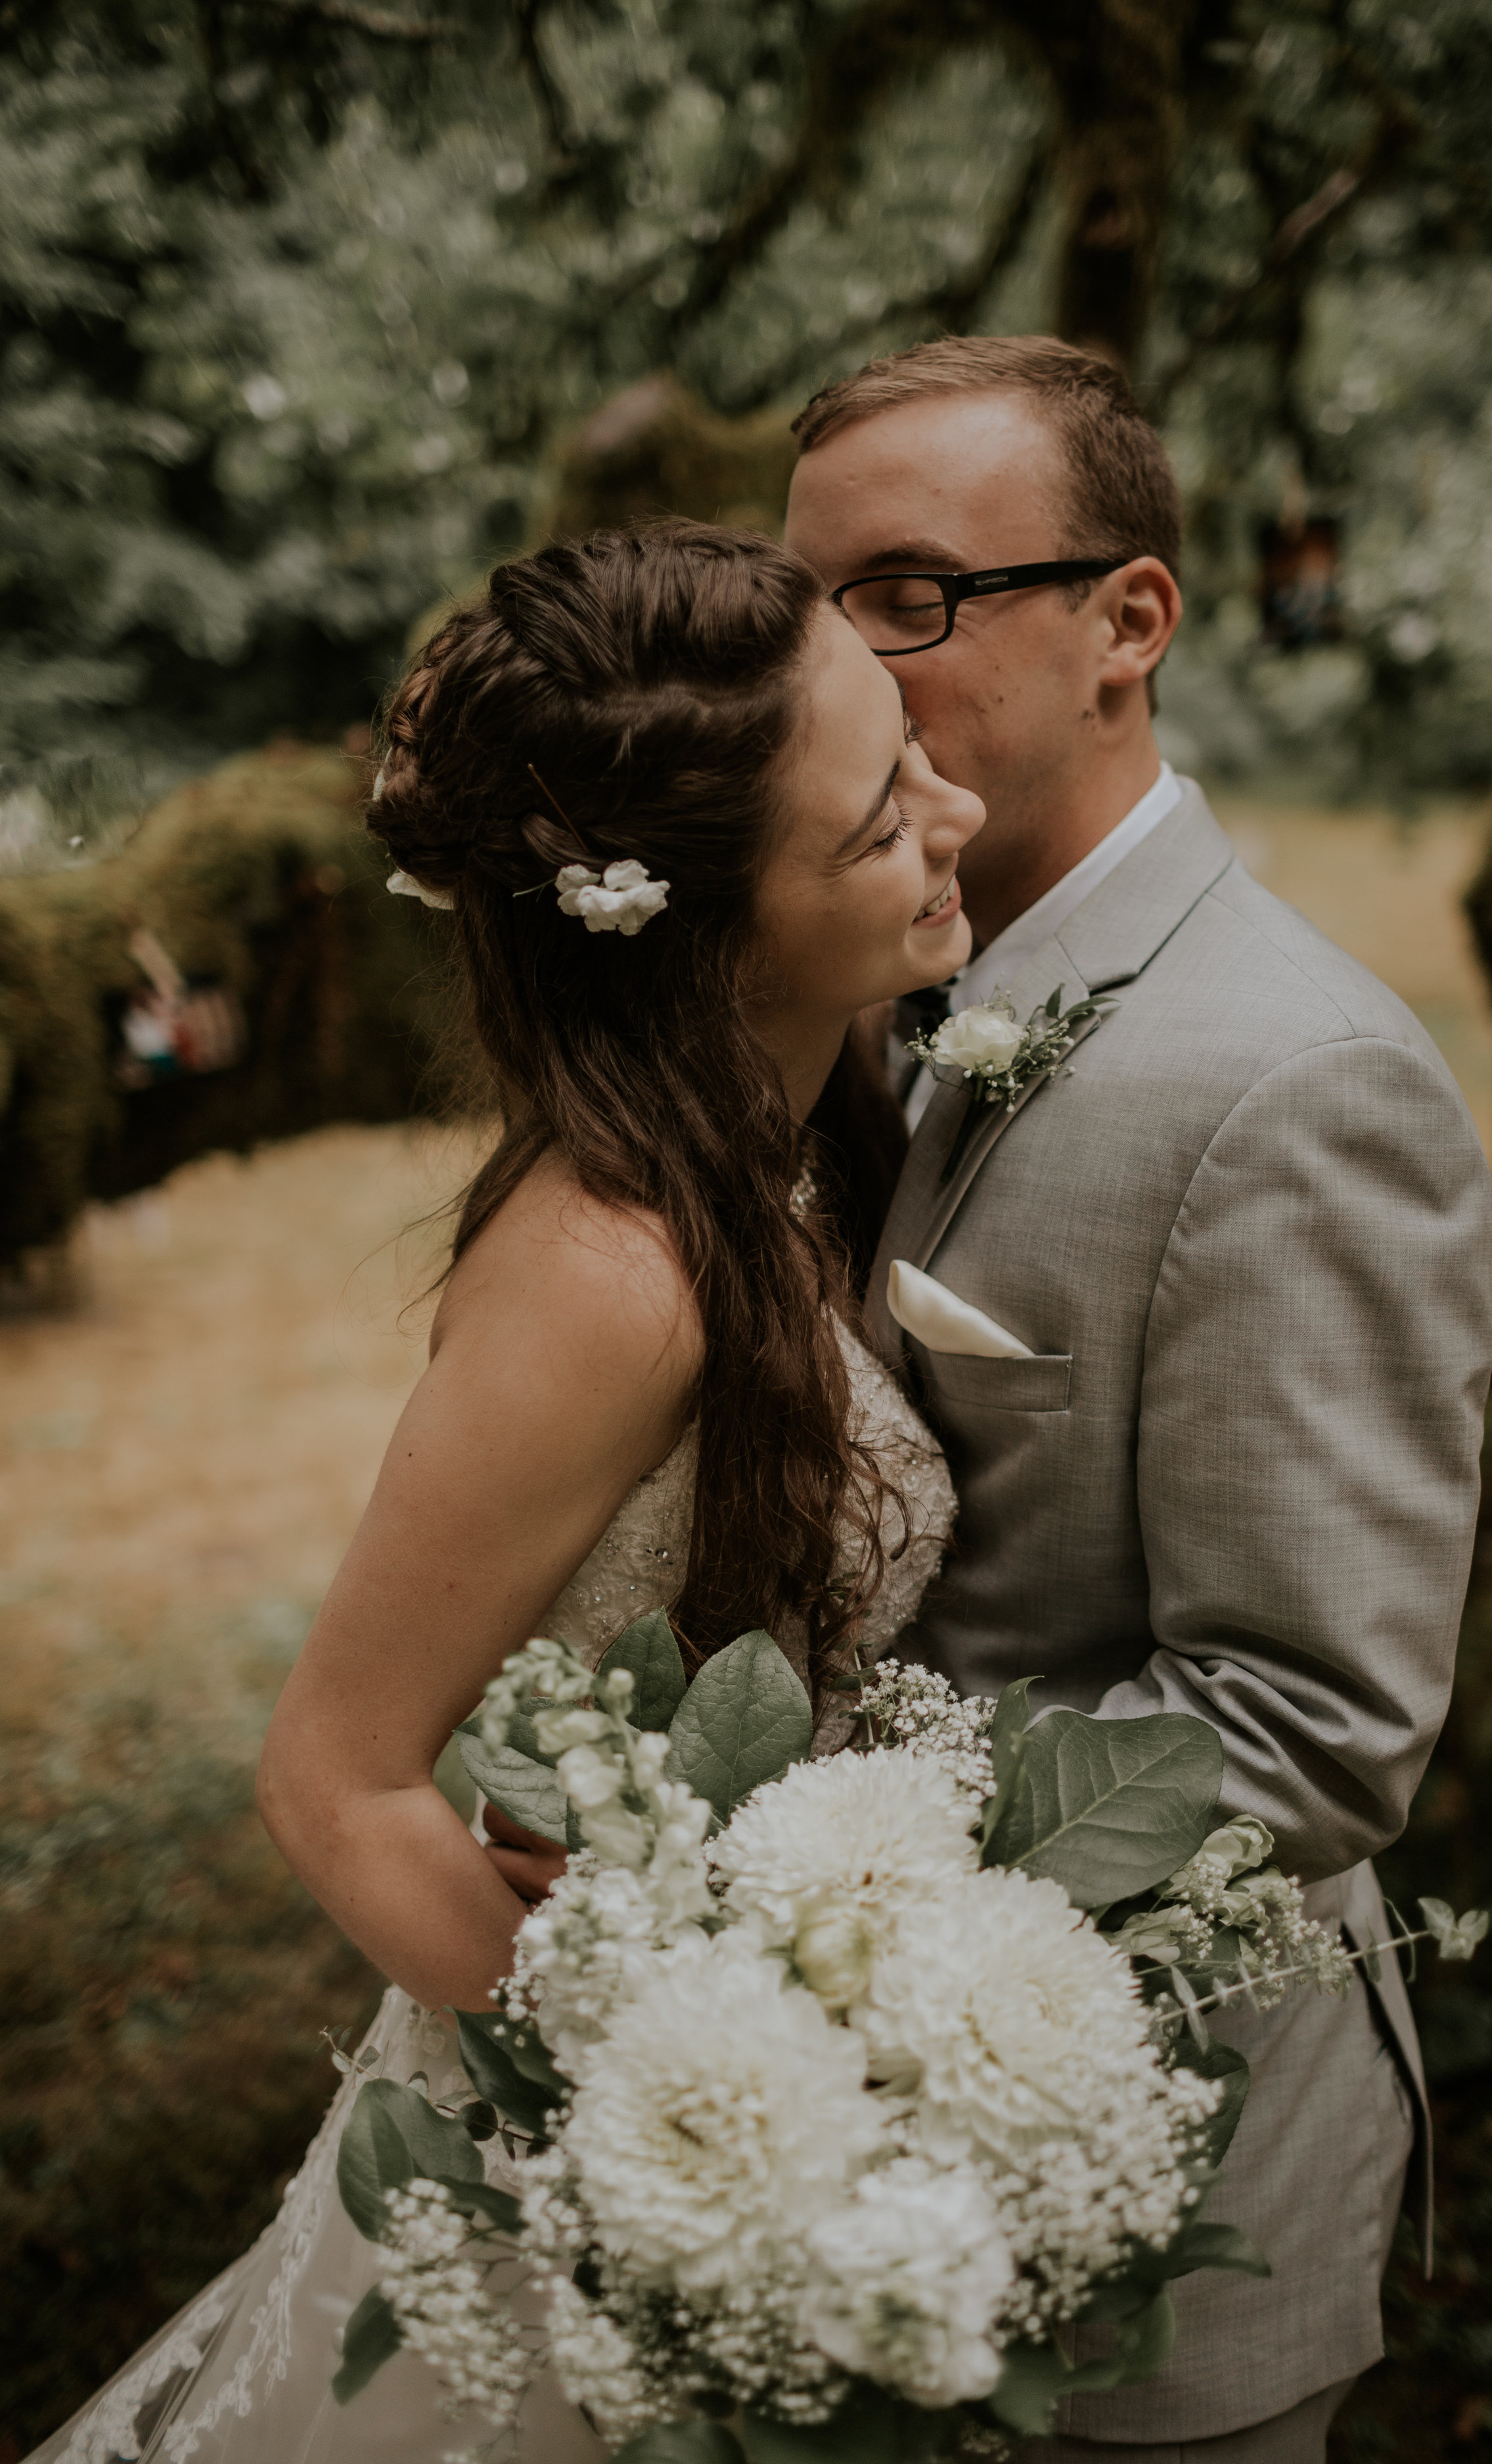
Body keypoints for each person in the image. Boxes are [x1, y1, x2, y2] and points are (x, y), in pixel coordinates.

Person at [28, 522, 972, 2463]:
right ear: (709, 922)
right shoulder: (610, 1279)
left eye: (914, 748)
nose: (952, 808)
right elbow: (334, 1774)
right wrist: (687, 2114)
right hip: (605, 2193)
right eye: (879, 813)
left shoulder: (790, 1143)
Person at [777, 334, 1492, 2463]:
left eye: (909, 595)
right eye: (801, 603)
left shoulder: (1294, 1083)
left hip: (1152, 2215)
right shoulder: (840, 989)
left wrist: (770, 1878)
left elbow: (1307, 1723)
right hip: (846, 2192)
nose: (835, 665)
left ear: (1132, 620)